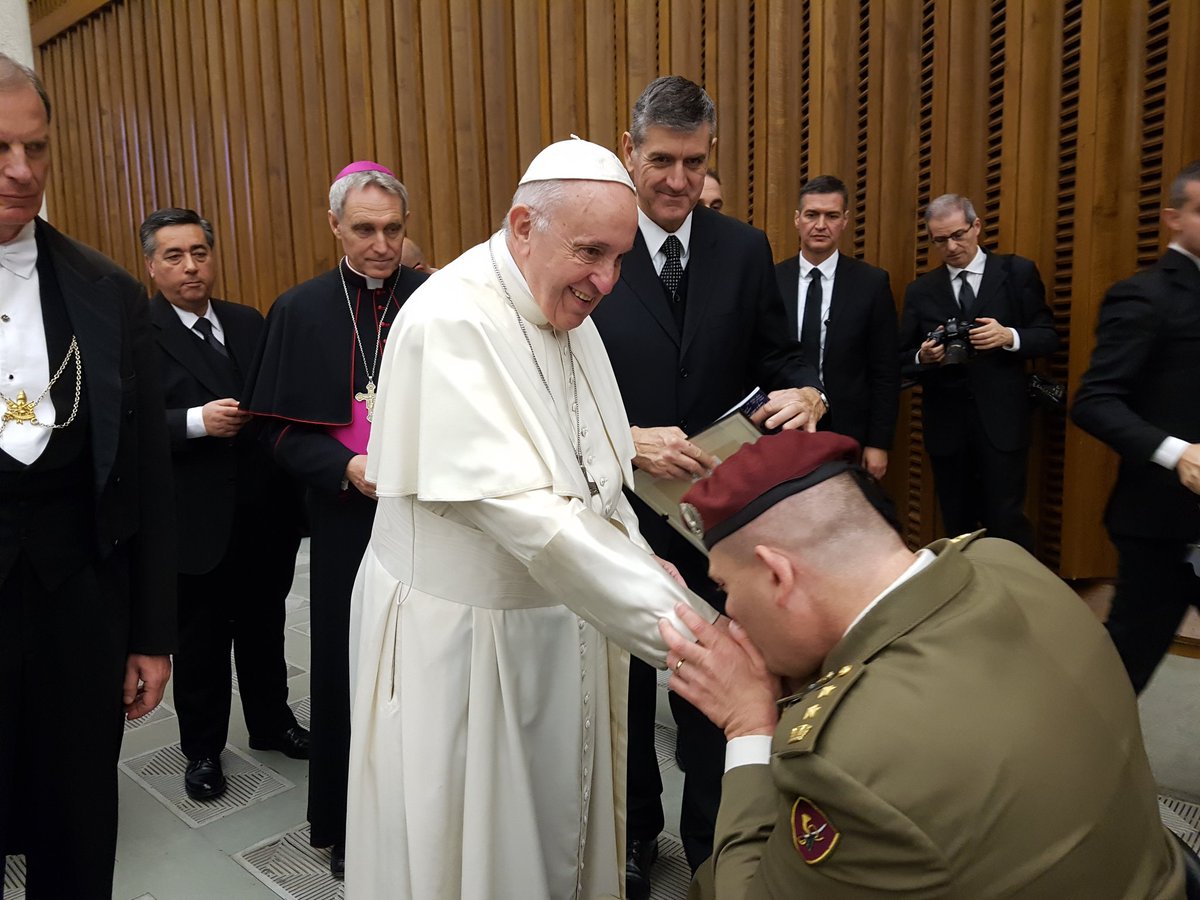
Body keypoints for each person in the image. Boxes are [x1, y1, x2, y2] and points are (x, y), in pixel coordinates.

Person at [344, 137, 721, 900]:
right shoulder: (451, 321)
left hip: (560, 626)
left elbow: (594, 474)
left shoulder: (566, 311)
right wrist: (701, 639)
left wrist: (653, 567)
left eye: (620, 258)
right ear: (523, 225)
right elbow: (533, 517)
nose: (607, 281)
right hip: (465, 650)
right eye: (591, 252)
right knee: (478, 857)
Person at [660, 430, 1185, 899]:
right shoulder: (1004, 561)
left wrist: (749, 727)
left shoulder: (845, 764)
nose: (728, 612)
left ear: (779, 575)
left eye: (726, 587)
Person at [589, 74, 825, 892]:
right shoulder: (593, 245)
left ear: (709, 154)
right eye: (660, 160)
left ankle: (709, 844)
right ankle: (631, 834)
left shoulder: (744, 247)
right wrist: (624, 441)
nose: (678, 181)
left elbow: (779, 357)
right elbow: (548, 391)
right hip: (613, 514)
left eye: (693, 162)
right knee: (621, 689)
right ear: (630, 150)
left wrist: (808, 388)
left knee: (714, 688)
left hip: (718, 523)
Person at [0, 54, 176, 898]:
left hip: (81, 609)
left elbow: (145, 475)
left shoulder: (107, 291)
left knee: (76, 827)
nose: (21, 171)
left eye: (35, 148)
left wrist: (151, 632)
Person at [241, 161, 427, 877]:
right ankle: (350, 822)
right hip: (347, 522)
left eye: (393, 229)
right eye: (365, 230)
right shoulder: (301, 309)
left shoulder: (435, 301)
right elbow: (277, 431)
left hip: (425, 514)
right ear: (335, 228)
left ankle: (422, 807)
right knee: (352, 670)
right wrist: (342, 468)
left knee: (423, 664)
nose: (381, 245)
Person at [143, 207, 309, 802]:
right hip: (194, 520)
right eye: (174, 256)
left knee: (266, 629)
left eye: (200, 253)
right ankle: (203, 753)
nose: (191, 267)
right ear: (152, 265)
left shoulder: (246, 321)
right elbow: (125, 428)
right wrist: (194, 422)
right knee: (201, 646)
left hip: (261, 514)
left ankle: (272, 724)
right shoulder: (136, 333)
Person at [1072, 159, 1200, 694]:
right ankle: (1068, 765)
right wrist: (1177, 454)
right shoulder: (1145, 295)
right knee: (1123, 670)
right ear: (1173, 217)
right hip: (1162, 522)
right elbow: (1094, 401)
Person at [898, 194, 1058, 550]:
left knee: (1008, 520)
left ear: (976, 227)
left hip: (1003, 422)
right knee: (958, 526)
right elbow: (899, 358)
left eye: (958, 235)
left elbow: (1047, 336)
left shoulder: (1016, 273)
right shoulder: (921, 291)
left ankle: (1017, 597)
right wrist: (924, 356)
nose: (952, 247)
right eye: (940, 240)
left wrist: (1009, 336)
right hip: (948, 429)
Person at [775, 175, 899, 479]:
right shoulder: (771, 280)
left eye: (831, 216)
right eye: (812, 215)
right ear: (797, 219)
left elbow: (885, 371)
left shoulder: (871, 283)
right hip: (782, 431)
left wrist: (878, 443)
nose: (820, 225)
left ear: (844, 221)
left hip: (848, 433)